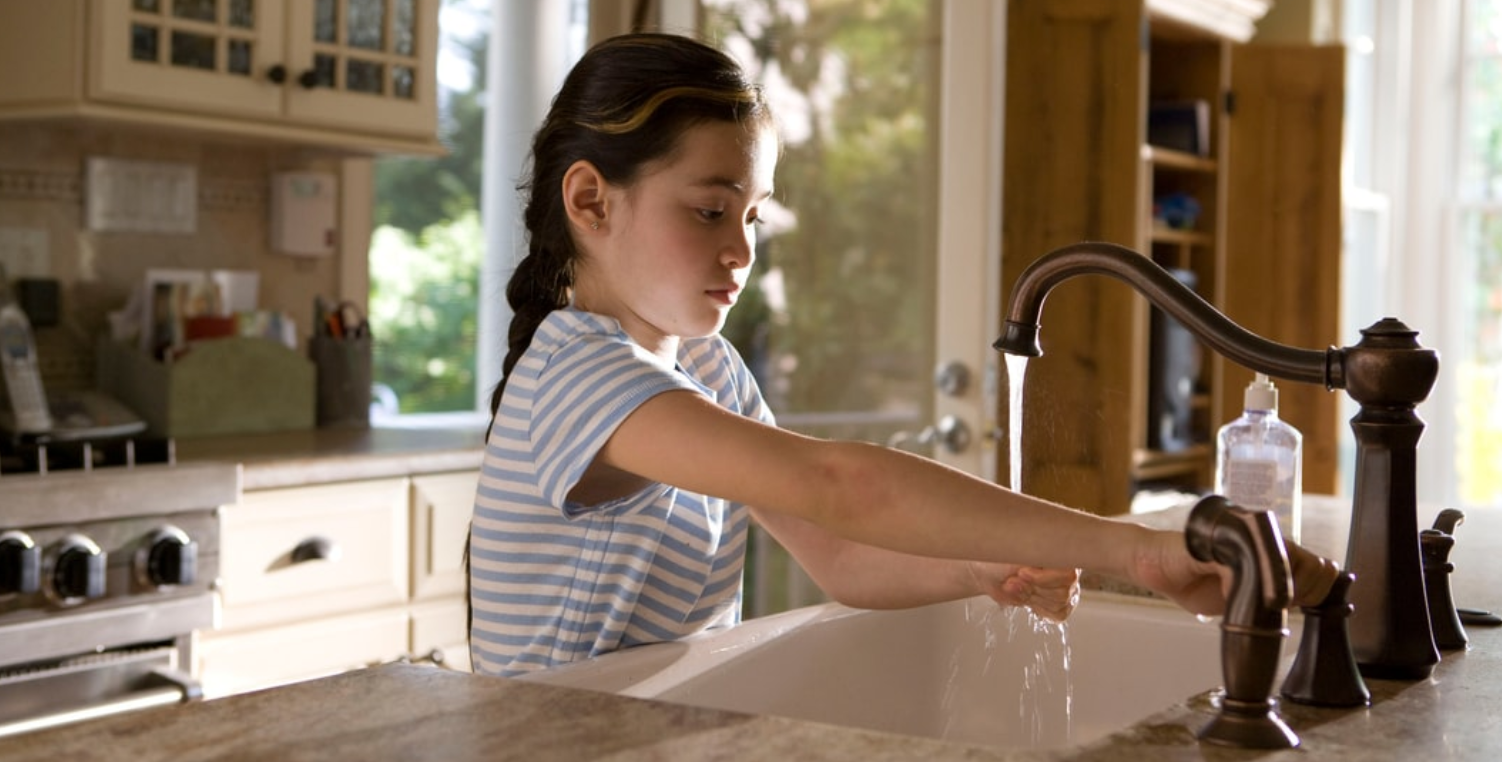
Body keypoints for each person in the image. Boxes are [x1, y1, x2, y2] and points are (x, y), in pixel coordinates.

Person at [468, 32, 1338, 678]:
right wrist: (1136, 550)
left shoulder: (706, 368)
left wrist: (977, 564)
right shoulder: (575, 374)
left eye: (754, 216)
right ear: (590, 199)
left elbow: (839, 551)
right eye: (709, 210)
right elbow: (840, 485)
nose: (742, 249)